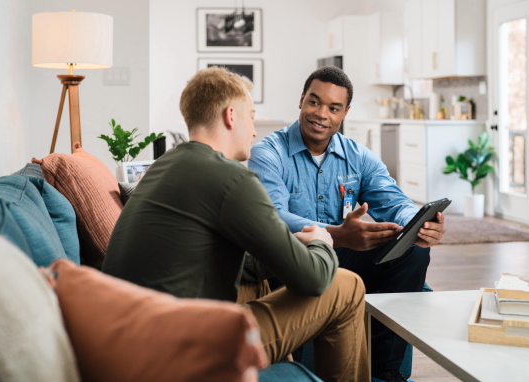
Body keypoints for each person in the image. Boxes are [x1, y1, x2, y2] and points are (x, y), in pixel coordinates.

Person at [102, 67, 369, 382]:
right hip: (184, 350)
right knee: (347, 286)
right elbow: (313, 280)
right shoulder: (231, 178)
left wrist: (291, 243)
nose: (255, 131)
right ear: (231, 116)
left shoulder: (164, 166)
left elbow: (233, 258)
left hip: (135, 341)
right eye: (251, 116)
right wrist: (324, 240)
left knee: (258, 277)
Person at [248, 66, 446, 382]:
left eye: (333, 108)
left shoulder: (359, 157)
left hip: (342, 256)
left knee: (414, 251)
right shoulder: (268, 152)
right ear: (301, 100)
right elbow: (274, 217)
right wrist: (336, 234)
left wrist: (417, 224)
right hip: (290, 259)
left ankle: (385, 373)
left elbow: (394, 201)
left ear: (345, 112)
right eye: (314, 102)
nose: (321, 114)